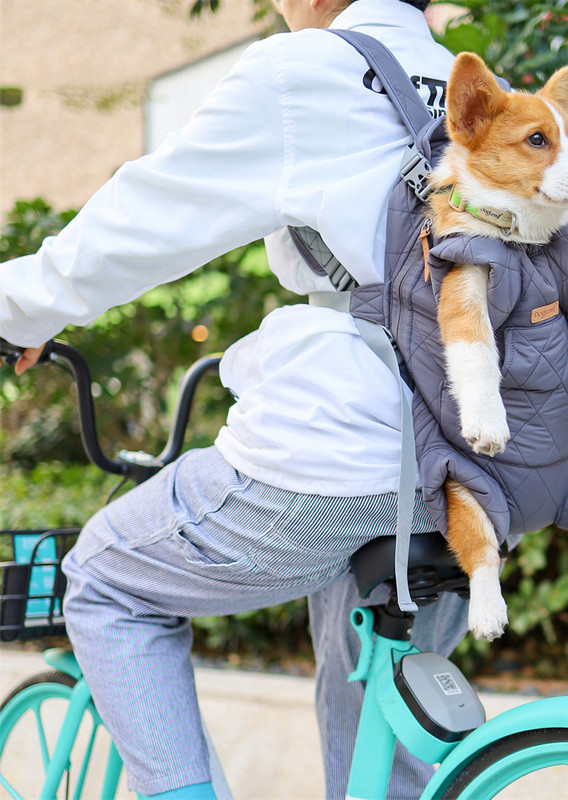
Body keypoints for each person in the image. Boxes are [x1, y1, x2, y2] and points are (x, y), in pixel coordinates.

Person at [0, 1, 470, 797]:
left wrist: (18, 311)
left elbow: (142, 219)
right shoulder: (475, 90)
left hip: (344, 446)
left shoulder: (304, 71)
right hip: (483, 469)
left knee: (110, 579)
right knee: (374, 706)